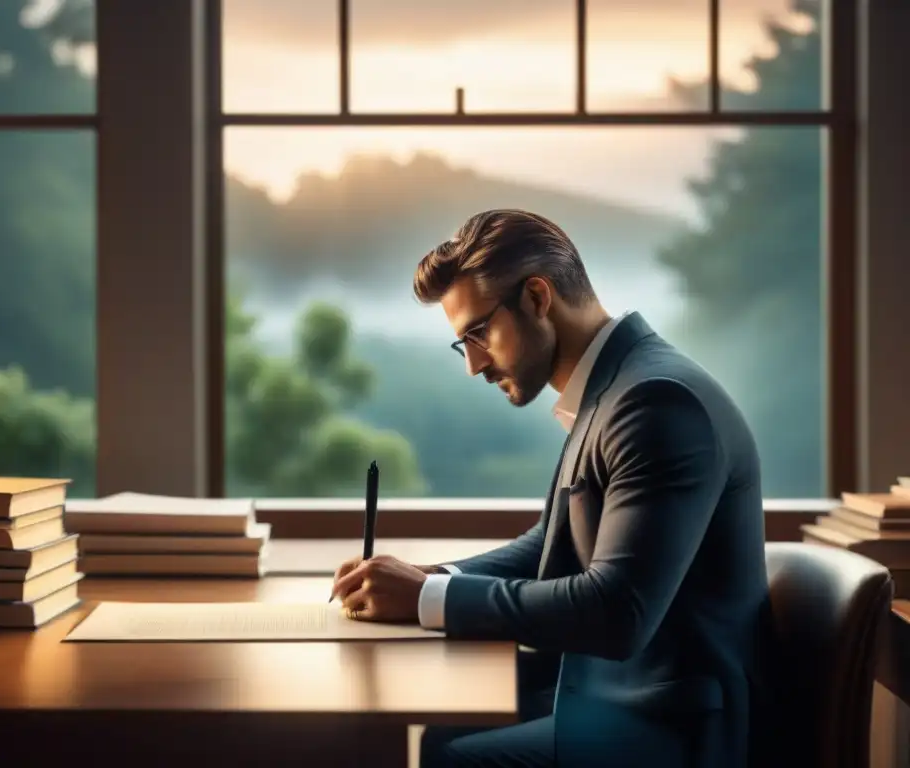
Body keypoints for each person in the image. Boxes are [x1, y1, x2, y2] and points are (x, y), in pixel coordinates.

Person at [330, 209, 775, 768]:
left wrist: (425, 600)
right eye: (461, 343)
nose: (472, 365)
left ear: (538, 298)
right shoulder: (616, 387)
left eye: (478, 333)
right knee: (436, 732)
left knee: (446, 754)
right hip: (620, 698)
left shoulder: (655, 402)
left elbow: (618, 610)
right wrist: (429, 580)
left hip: (671, 731)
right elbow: (548, 545)